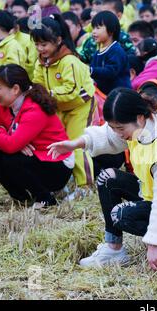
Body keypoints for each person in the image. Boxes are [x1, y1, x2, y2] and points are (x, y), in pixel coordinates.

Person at [48, 88, 157, 270]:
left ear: (139, 118)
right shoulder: (141, 124)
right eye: (114, 127)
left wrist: (154, 243)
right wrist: (75, 144)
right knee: (107, 178)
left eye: (120, 128)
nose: (118, 133)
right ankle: (114, 250)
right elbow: (108, 135)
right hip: (153, 195)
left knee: (120, 215)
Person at [0, 64, 73, 208]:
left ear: (15, 89)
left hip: (57, 165)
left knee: (11, 159)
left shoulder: (35, 109)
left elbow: (11, 145)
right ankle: (21, 198)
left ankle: (45, 198)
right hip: (34, 157)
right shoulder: (3, 105)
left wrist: (6, 137)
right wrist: (10, 138)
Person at [31, 14, 96, 191]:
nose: (40, 48)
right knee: (58, 143)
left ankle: (85, 185)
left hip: (80, 105)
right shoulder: (41, 62)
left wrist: (47, 94)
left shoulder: (69, 61)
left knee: (77, 144)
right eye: (36, 44)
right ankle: (66, 180)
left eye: (44, 44)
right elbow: (37, 83)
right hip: (58, 106)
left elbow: (71, 89)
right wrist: (36, 92)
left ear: (58, 40)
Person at [90, 11, 131, 95]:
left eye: (98, 28)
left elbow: (111, 72)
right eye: (93, 28)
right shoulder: (97, 52)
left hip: (120, 95)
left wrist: (91, 71)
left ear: (111, 30)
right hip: (104, 95)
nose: (94, 32)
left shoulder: (116, 50)